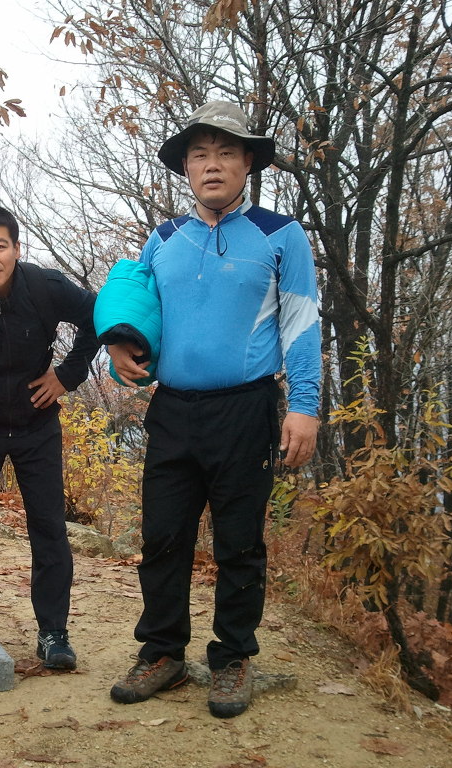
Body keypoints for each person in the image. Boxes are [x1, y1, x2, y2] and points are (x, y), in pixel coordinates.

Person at [98, 101, 321, 718]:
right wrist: (118, 348)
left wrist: (304, 407)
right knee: (163, 536)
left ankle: (232, 658)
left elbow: (302, 324)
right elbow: (135, 307)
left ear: (248, 162)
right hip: (171, 409)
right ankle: (162, 653)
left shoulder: (280, 234)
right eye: (200, 154)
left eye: (226, 152)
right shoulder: (165, 238)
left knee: (239, 542)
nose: (213, 165)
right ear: (187, 167)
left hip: (246, 409)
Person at [0, 204, 99, 670]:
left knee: (49, 529)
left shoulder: (45, 286)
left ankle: (54, 633)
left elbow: (98, 316)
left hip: (36, 425)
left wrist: (67, 374)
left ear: (16, 248)